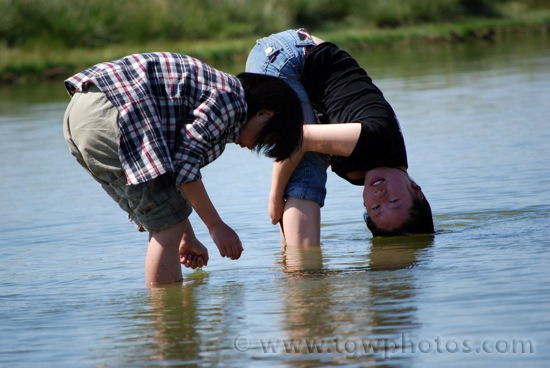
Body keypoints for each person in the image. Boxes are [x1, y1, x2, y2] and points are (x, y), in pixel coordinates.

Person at [63, 52, 303, 285]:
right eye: (266, 139)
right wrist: (216, 226)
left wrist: (185, 236)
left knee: (165, 220)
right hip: (114, 108)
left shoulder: (217, 95)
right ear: (264, 113)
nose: (252, 147)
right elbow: (185, 166)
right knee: (166, 226)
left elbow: (169, 177)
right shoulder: (231, 100)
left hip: (81, 112)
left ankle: (171, 313)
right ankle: (168, 319)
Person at [245, 29, 434, 244]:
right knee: (306, 171)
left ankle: (290, 262)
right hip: (287, 58)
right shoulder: (379, 141)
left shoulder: (358, 172)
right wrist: (275, 198)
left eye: (376, 208)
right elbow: (299, 138)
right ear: (416, 190)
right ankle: (302, 272)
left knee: (303, 170)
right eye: (394, 201)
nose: (381, 195)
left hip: (289, 58)